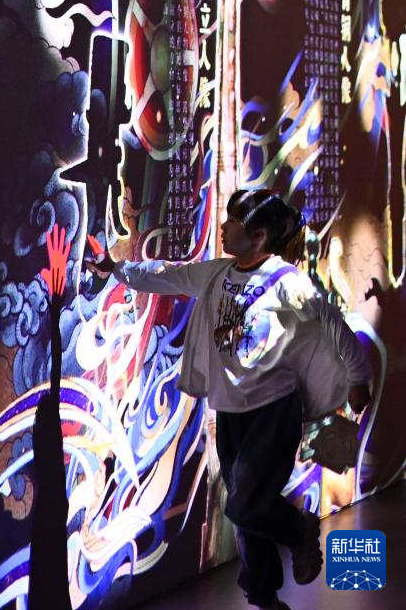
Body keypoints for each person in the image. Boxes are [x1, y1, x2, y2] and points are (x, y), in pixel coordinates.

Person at [85, 189, 372, 610]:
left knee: (244, 504)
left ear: (258, 236)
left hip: (273, 411)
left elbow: (332, 323)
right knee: (244, 514)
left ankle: (299, 531)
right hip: (231, 413)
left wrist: (358, 378)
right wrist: (116, 269)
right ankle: (264, 597)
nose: (223, 227)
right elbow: (167, 274)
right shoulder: (218, 274)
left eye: (233, 221)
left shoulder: (284, 281)